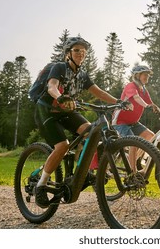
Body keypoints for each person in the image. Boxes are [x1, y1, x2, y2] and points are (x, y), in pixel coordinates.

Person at [34, 36, 131, 208]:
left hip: (67, 112)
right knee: (62, 146)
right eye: (77, 50)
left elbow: (99, 92)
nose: (81, 53)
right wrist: (60, 96)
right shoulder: (59, 67)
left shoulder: (83, 75)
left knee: (91, 132)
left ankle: (84, 172)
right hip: (47, 111)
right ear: (68, 53)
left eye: (83, 51)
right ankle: (41, 185)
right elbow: (52, 87)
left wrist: (119, 101)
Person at [112, 65, 159, 172]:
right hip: (120, 122)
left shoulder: (143, 90)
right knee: (133, 142)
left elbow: (150, 103)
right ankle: (133, 173)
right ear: (137, 76)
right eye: (145, 75)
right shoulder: (130, 86)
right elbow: (136, 98)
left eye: (148, 75)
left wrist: (159, 110)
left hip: (133, 122)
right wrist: (146, 106)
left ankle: (131, 160)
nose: (147, 77)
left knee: (151, 136)